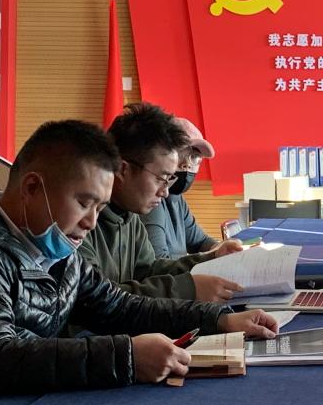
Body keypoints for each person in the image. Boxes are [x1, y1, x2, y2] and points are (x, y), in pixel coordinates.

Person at [0, 119, 277, 405]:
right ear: (31, 187)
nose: (91, 222)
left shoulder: (54, 246)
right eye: (83, 203)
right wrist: (127, 357)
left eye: (100, 207)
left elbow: (119, 307)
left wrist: (219, 321)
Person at [79, 103, 242, 303]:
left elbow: (149, 271)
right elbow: (99, 299)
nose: (165, 192)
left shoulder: (129, 216)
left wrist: (212, 258)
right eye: (160, 178)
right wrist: (188, 289)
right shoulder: (80, 223)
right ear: (123, 170)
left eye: (169, 179)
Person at [141, 117, 222, 259]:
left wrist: (222, 248)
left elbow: (200, 241)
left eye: (195, 157)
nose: (187, 164)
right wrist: (211, 257)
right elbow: (159, 263)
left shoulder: (177, 198)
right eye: (181, 153)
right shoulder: (151, 200)